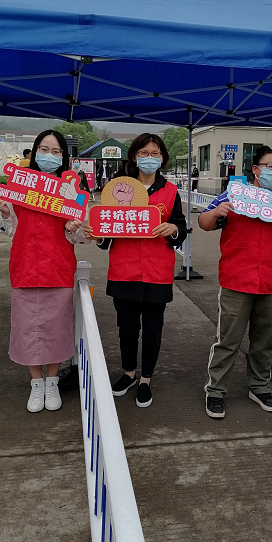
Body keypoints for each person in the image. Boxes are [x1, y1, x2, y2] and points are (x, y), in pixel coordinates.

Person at [199, 145, 272, 419]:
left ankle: (259, 386)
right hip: (236, 280)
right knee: (228, 340)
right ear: (256, 169)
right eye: (271, 167)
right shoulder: (234, 195)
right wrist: (216, 211)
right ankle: (215, 391)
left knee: (265, 341)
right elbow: (204, 222)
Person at [85, 133, 187, 408]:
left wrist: (173, 228)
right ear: (133, 156)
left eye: (155, 153)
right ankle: (129, 373)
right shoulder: (118, 187)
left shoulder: (171, 191)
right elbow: (107, 232)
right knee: (127, 329)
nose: (149, 158)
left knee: (153, 329)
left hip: (157, 272)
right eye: (143, 153)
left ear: (162, 158)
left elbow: (181, 226)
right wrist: (98, 235)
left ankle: (146, 379)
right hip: (124, 271)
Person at [0, 130, 88, 413]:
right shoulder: (20, 187)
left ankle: (52, 381)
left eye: (56, 151)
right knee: (26, 328)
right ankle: (36, 382)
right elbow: (10, 230)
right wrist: (6, 214)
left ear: (64, 157)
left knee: (56, 327)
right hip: (25, 266)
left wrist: (73, 227)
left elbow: (79, 235)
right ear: (34, 153)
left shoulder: (70, 191)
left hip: (57, 268)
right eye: (44, 150)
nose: (50, 156)